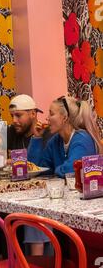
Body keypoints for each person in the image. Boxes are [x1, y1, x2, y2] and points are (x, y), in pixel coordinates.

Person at [25, 95, 103, 255]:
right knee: (34, 213)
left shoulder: (82, 138)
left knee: (38, 214)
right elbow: (37, 167)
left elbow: (72, 170)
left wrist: (56, 170)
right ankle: (41, 267)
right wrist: (37, 139)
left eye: (51, 113)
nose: (47, 118)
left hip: (85, 205)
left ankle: (41, 266)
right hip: (65, 199)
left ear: (65, 117)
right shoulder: (56, 140)